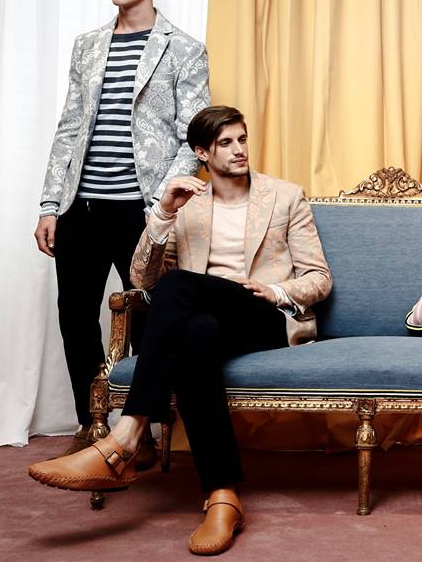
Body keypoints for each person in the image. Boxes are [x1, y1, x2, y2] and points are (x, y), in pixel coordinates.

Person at [28, 105, 332, 555]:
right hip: (207, 319)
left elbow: (319, 278)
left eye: (242, 139)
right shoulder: (186, 206)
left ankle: (125, 436)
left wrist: (274, 290)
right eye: (225, 143)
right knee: (196, 333)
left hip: (261, 313)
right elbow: (141, 279)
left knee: (177, 289)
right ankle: (223, 495)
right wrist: (164, 213)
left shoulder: (285, 196)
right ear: (201, 153)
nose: (239, 150)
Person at [32, 0, 210, 457]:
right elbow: (69, 128)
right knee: (74, 314)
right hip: (81, 206)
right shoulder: (87, 45)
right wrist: (50, 204)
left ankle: (143, 429)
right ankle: (92, 422)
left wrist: (161, 206)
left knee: (149, 317)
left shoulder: (184, 49)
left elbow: (193, 136)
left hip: (141, 210)